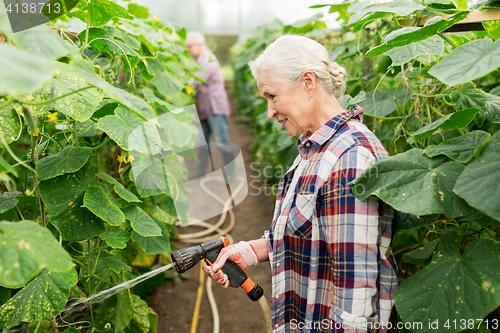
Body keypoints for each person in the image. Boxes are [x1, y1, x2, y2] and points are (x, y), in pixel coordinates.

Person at [202, 35, 399, 333]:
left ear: (308, 82)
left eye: (272, 96)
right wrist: (251, 250)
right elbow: (311, 231)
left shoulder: (350, 158)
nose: (270, 112)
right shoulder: (316, 146)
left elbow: (355, 294)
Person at [186, 31, 235, 182]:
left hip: (214, 108)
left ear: (199, 45)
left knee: (222, 142)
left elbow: (193, 82)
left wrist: (177, 88)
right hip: (204, 108)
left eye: (189, 46)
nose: (187, 49)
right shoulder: (199, 60)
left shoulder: (208, 61)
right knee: (202, 142)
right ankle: (201, 171)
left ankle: (230, 174)